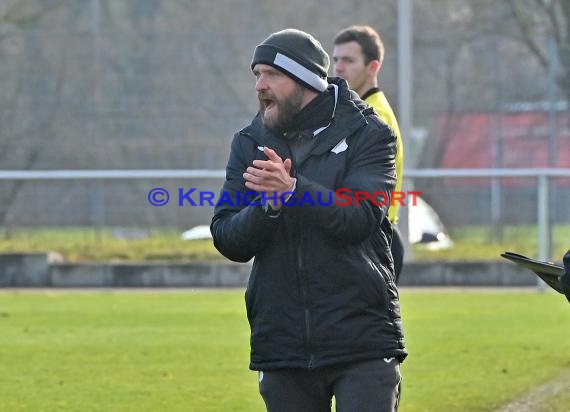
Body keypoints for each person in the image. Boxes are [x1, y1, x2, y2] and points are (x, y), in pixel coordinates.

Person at [211, 29, 407, 412]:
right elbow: (227, 236)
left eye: (271, 74)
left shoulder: (370, 133)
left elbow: (359, 217)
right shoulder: (249, 142)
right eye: (256, 74)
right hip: (282, 343)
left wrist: (293, 191)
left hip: (361, 339)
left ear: (305, 80)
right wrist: (268, 208)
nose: (260, 85)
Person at [332, 25, 406, 284]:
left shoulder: (374, 116)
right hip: (369, 236)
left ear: (373, 67)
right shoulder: (358, 111)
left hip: (374, 239)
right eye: (336, 59)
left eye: (349, 60)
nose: (338, 68)